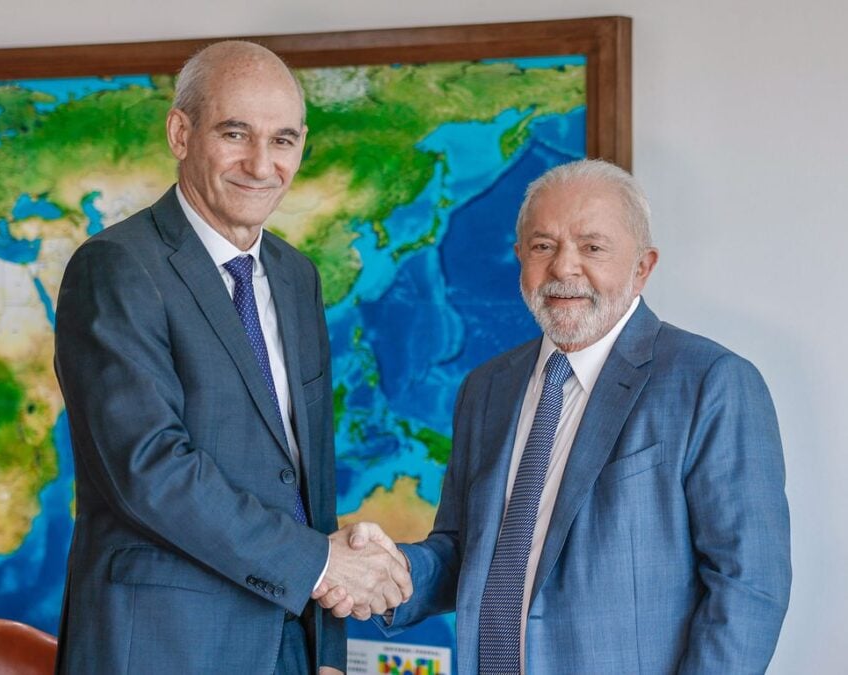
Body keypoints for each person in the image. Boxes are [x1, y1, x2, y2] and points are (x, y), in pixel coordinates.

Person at [316, 159, 791, 673]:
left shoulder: (711, 382)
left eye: (592, 247)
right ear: (520, 257)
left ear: (643, 267)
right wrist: (394, 572)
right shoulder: (487, 387)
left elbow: (750, 587)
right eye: (543, 246)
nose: (564, 267)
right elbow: (463, 550)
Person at [53, 41, 410, 675]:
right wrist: (323, 564)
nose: (261, 164)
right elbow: (150, 469)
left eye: (284, 140)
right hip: (164, 649)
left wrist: (323, 647)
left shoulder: (296, 276)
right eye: (236, 133)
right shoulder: (116, 268)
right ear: (181, 132)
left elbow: (303, 480)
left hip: (289, 644)